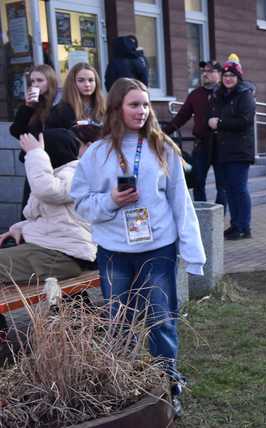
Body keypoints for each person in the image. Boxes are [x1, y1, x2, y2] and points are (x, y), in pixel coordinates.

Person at [70, 77, 205, 417]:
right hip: (114, 251)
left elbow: (180, 204)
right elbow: (80, 202)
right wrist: (111, 201)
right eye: (135, 104)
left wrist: (193, 253)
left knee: (161, 319)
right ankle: (119, 384)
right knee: (118, 322)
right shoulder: (97, 153)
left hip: (158, 248)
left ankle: (168, 383)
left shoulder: (162, 148)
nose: (143, 111)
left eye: (146, 104)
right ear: (116, 108)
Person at [0, 129, 95, 284]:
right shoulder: (56, 176)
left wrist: (36, 154)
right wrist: (19, 228)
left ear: (49, 154)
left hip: (60, 257)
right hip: (51, 252)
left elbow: (49, 191)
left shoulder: (75, 174)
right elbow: (51, 217)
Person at [163, 60, 226, 205]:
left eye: (210, 71)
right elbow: (181, 117)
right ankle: (202, 216)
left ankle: (218, 219)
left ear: (219, 74)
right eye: (204, 71)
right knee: (198, 182)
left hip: (221, 144)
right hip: (202, 144)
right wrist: (162, 133)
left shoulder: (225, 94)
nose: (205, 74)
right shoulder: (196, 95)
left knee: (222, 186)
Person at [208, 54, 256, 240]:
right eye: (225, 75)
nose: (228, 78)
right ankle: (236, 224)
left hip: (240, 150)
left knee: (239, 188)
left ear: (238, 77)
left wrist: (219, 123)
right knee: (229, 189)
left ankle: (244, 226)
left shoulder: (245, 95)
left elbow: (244, 121)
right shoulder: (220, 95)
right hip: (223, 150)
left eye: (232, 75)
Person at [10, 65, 67, 211]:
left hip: (57, 164)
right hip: (34, 162)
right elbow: (17, 131)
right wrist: (27, 107)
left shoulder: (61, 105)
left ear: (50, 81)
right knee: (31, 209)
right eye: (32, 81)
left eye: (40, 80)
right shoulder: (35, 105)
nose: (35, 84)